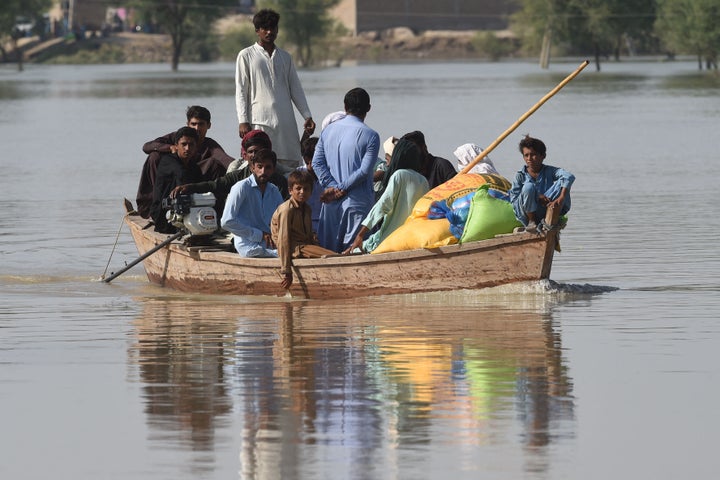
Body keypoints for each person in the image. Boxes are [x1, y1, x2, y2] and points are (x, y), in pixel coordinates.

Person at [235, 8, 315, 174]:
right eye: (265, 28)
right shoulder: (246, 55)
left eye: (273, 28)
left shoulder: (285, 57)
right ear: (257, 31)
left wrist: (307, 115)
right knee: (262, 163)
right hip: (260, 121)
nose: (269, 32)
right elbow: (241, 90)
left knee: (291, 167)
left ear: (277, 29)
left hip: (286, 124)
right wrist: (243, 120)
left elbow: (296, 88)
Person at [311, 87, 380, 253]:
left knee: (329, 252)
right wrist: (340, 188)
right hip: (357, 204)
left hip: (330, 202)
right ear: (368, 108)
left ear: (344, 106)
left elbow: (317, 163)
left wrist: (333, 188)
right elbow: (364, 171)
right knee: (355, 255)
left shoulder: (328, 131)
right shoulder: (371, 135)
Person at [136, 105, 234, 218]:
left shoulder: (210, 146)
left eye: (201, 124)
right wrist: (170, 148)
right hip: (167, 188)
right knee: (154, 156)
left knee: (215, 164)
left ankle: (214, 212)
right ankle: (154, 208)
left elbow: (224, 159)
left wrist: (244, 167)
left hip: (192, 187)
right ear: (187, 124)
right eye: (193, 124)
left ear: (209, 126)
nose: (197, 128)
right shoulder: (177, 137)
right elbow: (147, 146)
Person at [343, 139, 430, 254]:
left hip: (392, 238)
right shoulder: (423, 180)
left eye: (388, 159)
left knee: (351, 252)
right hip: (412, 238)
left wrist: (360, 234)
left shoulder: (399, 175)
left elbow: (383, 205)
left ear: (398, 157)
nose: (387, 163)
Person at [271, 170, 336, 289]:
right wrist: (286, 270)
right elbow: (283, 240)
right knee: (333, 257)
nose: (302, 192)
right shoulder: (287, 210)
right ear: (291, 190)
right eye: (298, 189)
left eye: (306, 189)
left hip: (305, 246)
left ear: (311, 191)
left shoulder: (307, 209)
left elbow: (309, 236)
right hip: (295, 249)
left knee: (331, 254)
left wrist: (316, 244)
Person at [220, 148, 284, 257]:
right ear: (252, 168)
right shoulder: (241, 187)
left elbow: (282, 218)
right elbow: (226, 222)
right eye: (260, 167)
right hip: (248, 245)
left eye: (267, 167)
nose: (263, 172)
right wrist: (259, 235)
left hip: (272, 243)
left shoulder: (274, 190)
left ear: (273, 169)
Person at [509, 135, 575, 232]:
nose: (529, 158)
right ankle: (532, 222)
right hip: (526, 213)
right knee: (528, 187)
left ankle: (552, 218)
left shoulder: (549, 171)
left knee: (563, 181)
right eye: (526, 155)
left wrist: (561, 196)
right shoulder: (520, 175)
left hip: (546, 208)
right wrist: (537, 196)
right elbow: (514, 200)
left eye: (533, 154)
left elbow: (569, 176)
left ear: (543, 156)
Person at [149, 126, 203, 233]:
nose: (187, 148)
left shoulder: (195, 167)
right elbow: (181, 174)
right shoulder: (168, 161)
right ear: (176, 146)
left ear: (196, 147)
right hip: (163, 212)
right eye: (184, 144)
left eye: (191, 145)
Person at [297, 136, 322, 233]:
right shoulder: (297, 175)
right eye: (307, 161)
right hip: (303, 224)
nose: (311, 165)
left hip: (327, 223)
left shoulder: (330, 174)